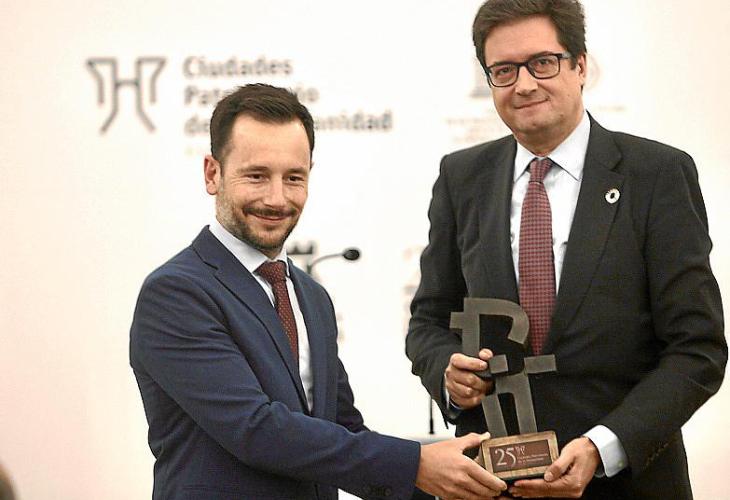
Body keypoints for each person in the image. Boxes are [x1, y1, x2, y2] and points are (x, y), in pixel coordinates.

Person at [405, 1, 727, 498]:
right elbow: (429, 320)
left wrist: (604, 447)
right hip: (493, 483)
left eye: (542, 63)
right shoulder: (461, 177)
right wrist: (447, 373)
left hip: (628, 484)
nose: (524, 85)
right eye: (504, 70)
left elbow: (697, 348)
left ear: (580, 66)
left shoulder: (656, 174)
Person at [130, 83, 507, 500]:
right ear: (212, 173)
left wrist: (457, 486)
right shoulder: (176, 293)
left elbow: (342, 431)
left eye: (294, 177)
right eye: (256, 176)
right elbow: (255, 430)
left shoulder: (310, 296)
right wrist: (416, 465)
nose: (277, 198)